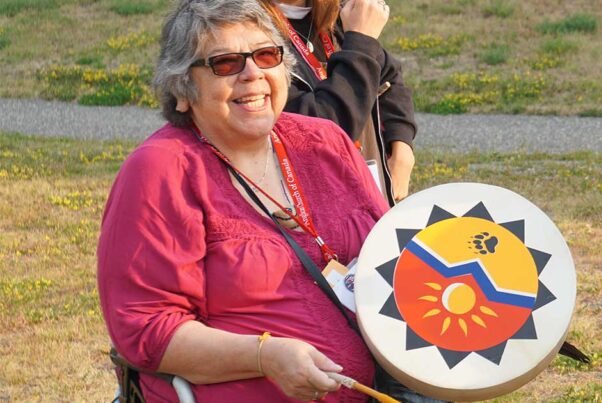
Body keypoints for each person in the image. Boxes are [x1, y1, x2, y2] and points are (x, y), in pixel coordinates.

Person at [98, 0, 394, 401]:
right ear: (182, 91)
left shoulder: (326, 141)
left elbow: (391, 254)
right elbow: (146, 329)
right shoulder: (161, 169)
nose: (252, 73)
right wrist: (264, 356)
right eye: (225, 63)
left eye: (266, 55)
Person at [260, 0, 417, 204]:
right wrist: (361, 43)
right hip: (310, 205)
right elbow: (323, 130)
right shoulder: (245, 31)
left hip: (367, 195)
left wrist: (402, 145)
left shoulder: (336, 14)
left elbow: (388, 75)